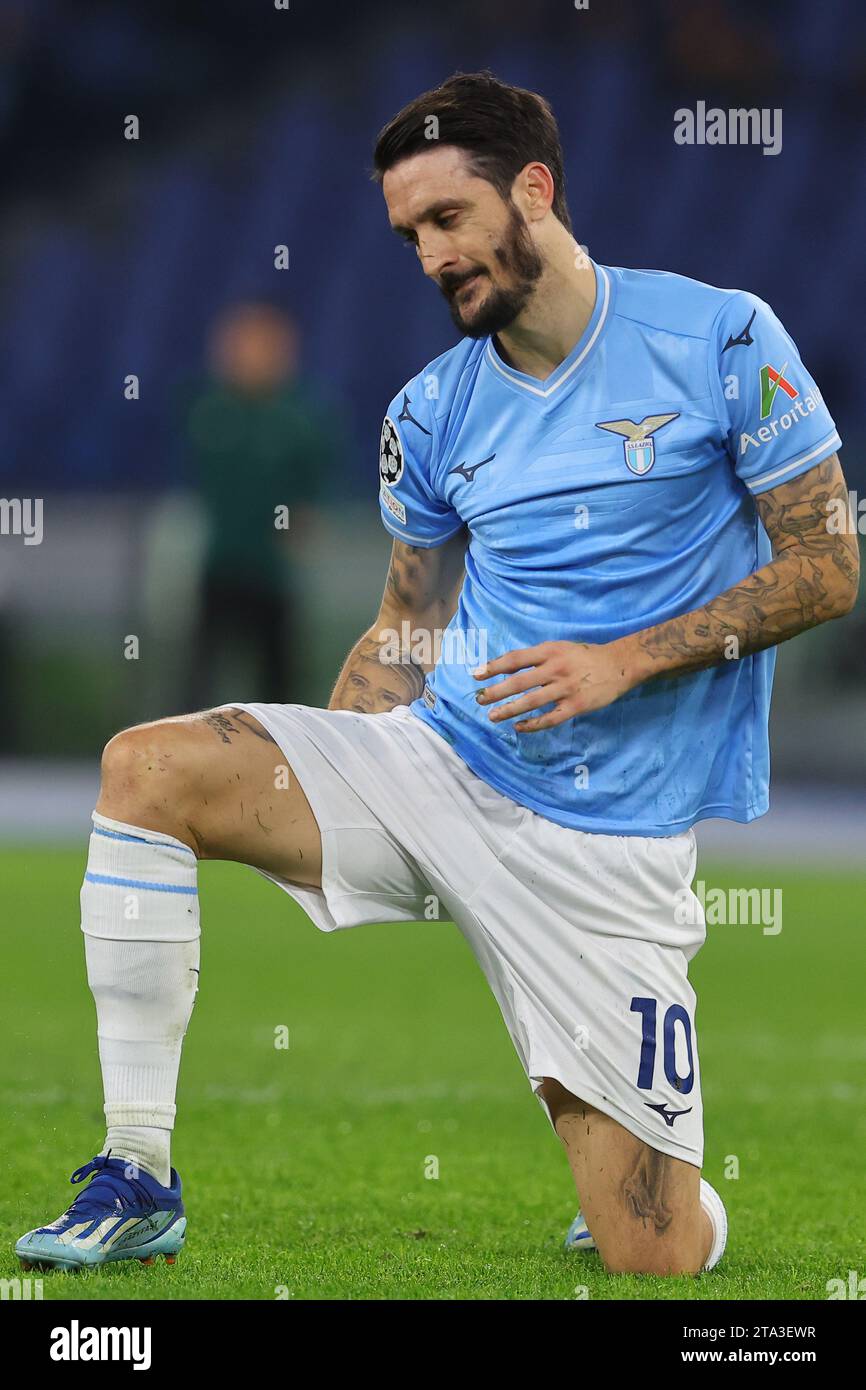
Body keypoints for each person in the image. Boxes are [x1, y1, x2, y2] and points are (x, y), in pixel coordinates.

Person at [16, 72, 858, 1278]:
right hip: (439, 765)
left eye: (448, 218)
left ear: (533, 190)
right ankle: (137, 1170)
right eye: (409, 233)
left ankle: (644, 1177)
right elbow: (406, 621)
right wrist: (329, 758)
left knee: (651, 1252)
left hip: (603, 850)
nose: (429, 255)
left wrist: (622, 658)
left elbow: (827, 566)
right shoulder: (429, 412)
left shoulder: (718, 339)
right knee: (147, 769)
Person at [184, 301, 329, 707]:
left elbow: (310, 496)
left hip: (271, 571)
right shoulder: (210, 409)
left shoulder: (299, 418)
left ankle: (277, 758)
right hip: (220, 564)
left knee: (278, 680)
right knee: (200, 673)